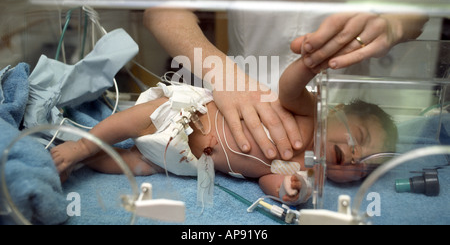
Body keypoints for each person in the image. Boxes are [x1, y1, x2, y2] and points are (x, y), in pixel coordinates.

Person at [143, 0, 426, 164]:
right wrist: (223, 74)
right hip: (239, 109)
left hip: (331, 119)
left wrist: (394, 23)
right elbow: (163, 8)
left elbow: (417, 6)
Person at [51, 55, 397, 204]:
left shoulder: (306, 171)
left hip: (183, 162)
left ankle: (77, 162)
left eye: (364, 164)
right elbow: (290, 86)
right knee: (135, 119)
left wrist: (289, 190)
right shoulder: (307, 115)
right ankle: (80, 147)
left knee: (129, 163)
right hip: (188, 116)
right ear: (334, 109)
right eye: (360, 140)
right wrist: (309, 65)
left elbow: (265, 180)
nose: (354, 156)